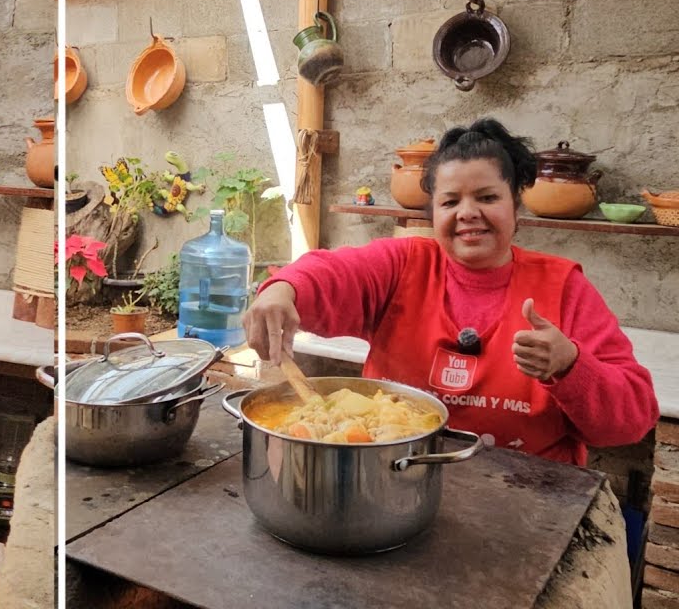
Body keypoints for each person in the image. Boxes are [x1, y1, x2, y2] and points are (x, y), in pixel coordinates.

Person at [243, 118, 658, 466]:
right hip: (394, 482)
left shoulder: (564, 287)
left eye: (487, 197)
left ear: (516, 206)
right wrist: (282, 289)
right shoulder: (403, 266)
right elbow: (331, 271)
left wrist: (570, 365)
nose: (467, 213)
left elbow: (631, 421)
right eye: (450, 201)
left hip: (528, 501)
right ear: (432, 213)